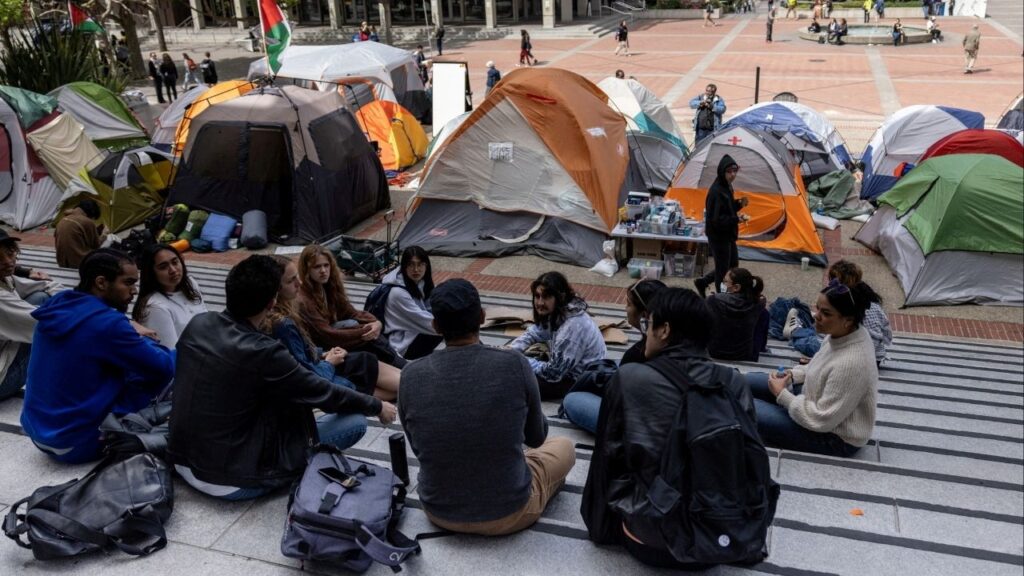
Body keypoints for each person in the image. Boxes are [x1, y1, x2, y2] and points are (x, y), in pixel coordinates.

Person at [169, 256, 395, 501]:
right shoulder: (263, 351)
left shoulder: (199, 324)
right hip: (229, 479)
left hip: (183, 459)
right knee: (354, 421)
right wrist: (377, 406)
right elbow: (323, 393)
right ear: (272, 301)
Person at [581, 288, 755, 566]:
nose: (645, 332)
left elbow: (607, 459)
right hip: (715, 541)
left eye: (648, 323)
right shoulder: (734, 382)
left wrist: (599, 524)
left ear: (664, 330)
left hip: (648, 539)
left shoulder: (629, 378)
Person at [399, 278, 575, 535]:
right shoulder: (514, 364)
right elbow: (537, 438)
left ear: (436, 326)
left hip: (438, 510)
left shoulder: (410, 375)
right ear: (482, 317)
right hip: (510, 511)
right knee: (565, 446)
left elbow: (418, 446)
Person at [21, 249, 175, 464]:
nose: (134, 291)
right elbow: (163, 367)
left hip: (38, 431)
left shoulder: (57, 305)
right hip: (76, 443)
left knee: (124, 363)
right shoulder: (108, 324)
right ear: (101, 282)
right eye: (128, 283)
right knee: (174, 365)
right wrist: (151, 343)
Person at [746, 280, 879, 458]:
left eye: (826, 313)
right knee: (740, 382)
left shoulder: (852, 363)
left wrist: (782, 396)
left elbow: (821, 420)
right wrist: (792, 375)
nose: (816, 316)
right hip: (810, 399)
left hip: (832, 437)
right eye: (817, 308)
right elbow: (817, 364)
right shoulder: (842, 334)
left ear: (848, 320)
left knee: (743, 405)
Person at [561, 279, 665, 434]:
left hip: (639, 425)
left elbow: (621, 399)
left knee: (572, 400)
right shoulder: (671, 340)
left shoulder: (639, 353)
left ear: (644, 315)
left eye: (629, 304)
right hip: (654, 407)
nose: (625, 308)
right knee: (609, 365)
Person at [297, 244, 406, 371]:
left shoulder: (327, 286)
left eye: (326, 265)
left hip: (332, 334)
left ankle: (397, 364)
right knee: (369, 338)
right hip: (321, 348)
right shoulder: (304, 300)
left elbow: (350, 312)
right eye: (317, 267)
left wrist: (375, 322)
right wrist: (365, 331)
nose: (323, 270)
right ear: (306, 270)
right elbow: (326, 335)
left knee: (366, 330)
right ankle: (400, 366)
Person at [509, 272, 606, 400]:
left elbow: (553, 373)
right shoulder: (560, 311)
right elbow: (535, 332)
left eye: (546, 297)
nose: (540, 302)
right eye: (537, 296)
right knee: (510, 363)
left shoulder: (571, 328)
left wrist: (519, 360)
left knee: (514, 381)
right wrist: (511, 350)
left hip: (577, 380)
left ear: (560, 297)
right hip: (564, 369)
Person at [783, 259, 891, 365]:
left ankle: (794, 330)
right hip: (876, 356)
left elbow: (834, 337)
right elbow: (886, 332)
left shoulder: (847, 303)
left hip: (856, 356)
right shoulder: (869, 298)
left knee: (810, 341)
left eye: (832, 281)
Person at [0, 230, 64, 401]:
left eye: (9, 253)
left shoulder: (7, 279)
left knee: (41, 297)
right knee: (53, 332)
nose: (8, 262)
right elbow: (48, 324)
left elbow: (47, 285)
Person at [131, 243, 207, 349]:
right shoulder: (155, 307)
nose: (173, 270)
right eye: (163, 267)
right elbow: (171, 352)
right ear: (151, 273)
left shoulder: (190, 283)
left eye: (175, 262)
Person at [694, 155, 749, 298]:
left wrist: (738, 204)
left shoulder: (727, 187)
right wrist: (736, 219)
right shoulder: (716, 191)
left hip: (727, 233)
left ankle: (703, 282)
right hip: (718, 236)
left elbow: (727, 209)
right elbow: (716, 220)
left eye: (735, 171)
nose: (733, 175)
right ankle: (720, 300)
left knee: (732, 266)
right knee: (723, 271)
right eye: (729, 172)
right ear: (722, 172)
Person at [379, 247, 443, 360]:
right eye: (411, 264)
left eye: (420, 264)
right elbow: (425, 321)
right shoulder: (398, 293)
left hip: (412, 333)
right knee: (441, 329)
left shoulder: (420, 283)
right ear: (404, 266)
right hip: (399, 346)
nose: (416, 269)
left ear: (426, 266)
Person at [706, 267, 766, 361]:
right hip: (744, 356)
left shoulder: (714, 300)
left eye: (725, 281)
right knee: (765, 314)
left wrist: (711, 298)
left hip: (714, 353)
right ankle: (761, 349)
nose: (723, 284)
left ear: (736, 287)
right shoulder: (759, 303)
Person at [54, 199, 103, 269]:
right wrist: (104, 234)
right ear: (91, 213)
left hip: (62, 262)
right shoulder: (87, 222)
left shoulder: (63, 219)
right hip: (80, 262)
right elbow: (96, 246)